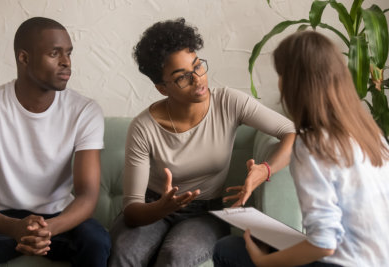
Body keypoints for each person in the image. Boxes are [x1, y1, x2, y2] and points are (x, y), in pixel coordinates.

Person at [108, 18, 296, 267]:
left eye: (198, 66)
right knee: (124, 254)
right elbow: (132, 210)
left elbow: (292, 132)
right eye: (182, 77)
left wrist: (265, 169)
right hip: (152, 209)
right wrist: (162, 208)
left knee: (176, 257)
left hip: (205, 213)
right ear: (162, 88)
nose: (198, 80)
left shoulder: (229, 102)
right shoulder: (144, 127)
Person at [213, 31, 389, 267]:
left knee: (227, 249)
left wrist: (266, 262)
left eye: (282, 74)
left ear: (294, 83)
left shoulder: (312, 146)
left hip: (343, 262)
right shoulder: (369, 133)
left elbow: (325, 243)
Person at [0, 17, 110, 266]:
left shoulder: (84, 111)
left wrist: (47, 230)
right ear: (24, 58)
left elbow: (87, 194)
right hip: (0, 219)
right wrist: (14, 229)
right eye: (55, 53)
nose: (66, 62)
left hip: (60, 218)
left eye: (68, 53)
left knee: (97, 243)